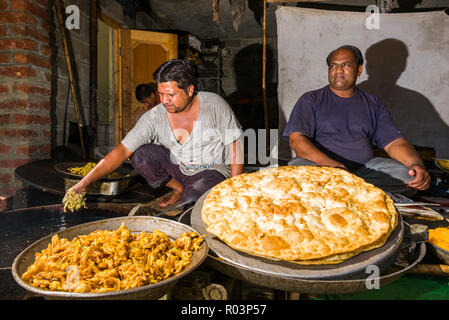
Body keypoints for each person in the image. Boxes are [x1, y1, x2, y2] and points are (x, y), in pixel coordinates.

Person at [70, 59, 244, 207]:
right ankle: (178, 187)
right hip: (180, 168)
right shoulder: (154, 117)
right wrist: (85, 182)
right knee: (140, 154)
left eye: (171, 95)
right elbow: (123, 150)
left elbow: (235, 143)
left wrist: (233, 188)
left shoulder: (214, 105)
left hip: (212, 171)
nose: (164, 101)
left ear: (190, 90)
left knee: (190, 203)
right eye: (160, 94)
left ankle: (189, 193)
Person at [283, 45, 430, 196]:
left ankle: (346, 191)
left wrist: (416, 164)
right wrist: (330, 165)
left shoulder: (373, 103)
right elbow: (297, 140)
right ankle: (359, 193)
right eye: (333, 66)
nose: (338, 70)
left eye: (346, 65)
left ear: (359, 70)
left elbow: (394, 142)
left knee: (407, 177)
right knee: (299, 171)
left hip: (363, 171)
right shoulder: (311, 100)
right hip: (322, 169)